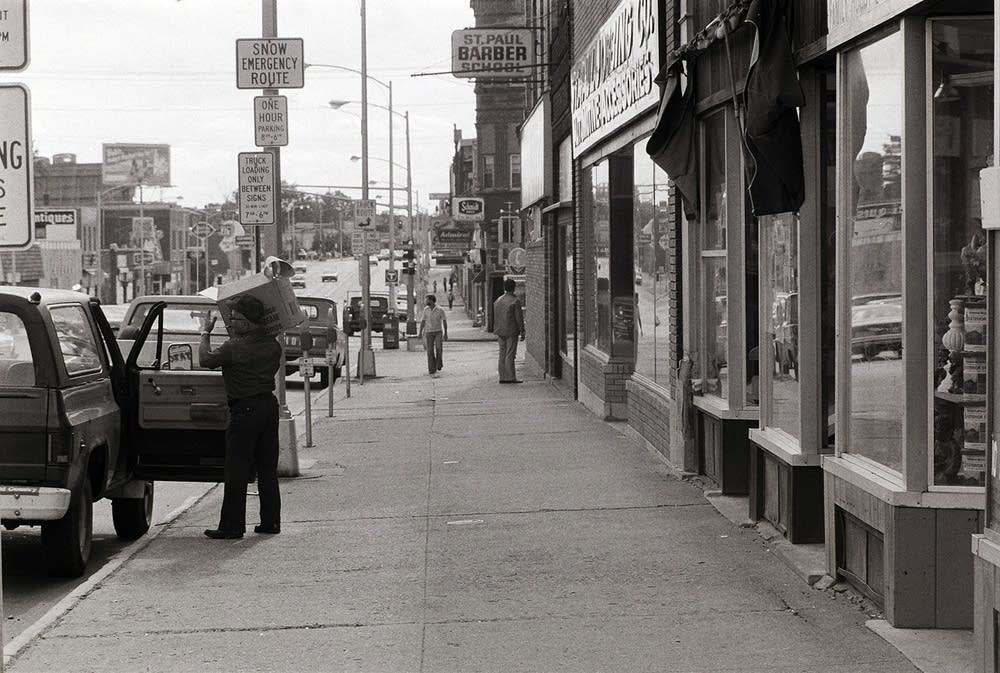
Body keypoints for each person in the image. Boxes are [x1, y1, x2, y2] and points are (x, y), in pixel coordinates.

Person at [199, 295, 282, 539]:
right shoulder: (272, 346)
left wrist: (205, 333)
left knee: (236, 469)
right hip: (269, 406)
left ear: (247, 322)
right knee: (267, 468)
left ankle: (232, 526)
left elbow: (205, 360)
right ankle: (271, 522)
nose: (231, 323)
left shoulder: (234, 347)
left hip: (245, 410)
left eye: (235, 319)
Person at [493, 278, 525, 383]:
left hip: (499, 330)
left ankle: (502, 377)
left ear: (504, 288)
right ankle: (511, 377)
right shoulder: (515, 301)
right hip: (511, 330)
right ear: (514, 288)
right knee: (510, 354)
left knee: (502, 353)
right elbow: (519, 318)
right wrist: (522, 330)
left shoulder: (498, 300)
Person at [419, 294, 448, 377]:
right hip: (429, 332)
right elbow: (423, 321)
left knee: (439, 348)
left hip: (438, 332)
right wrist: (420, 332)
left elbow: (444, 321)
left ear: (431, 301)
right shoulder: (426, 310)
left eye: (427, 300)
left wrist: (446, 333)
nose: (426, 301)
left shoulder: (440, 310)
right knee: (430, 351)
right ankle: (432, 369)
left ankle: (439, 363)